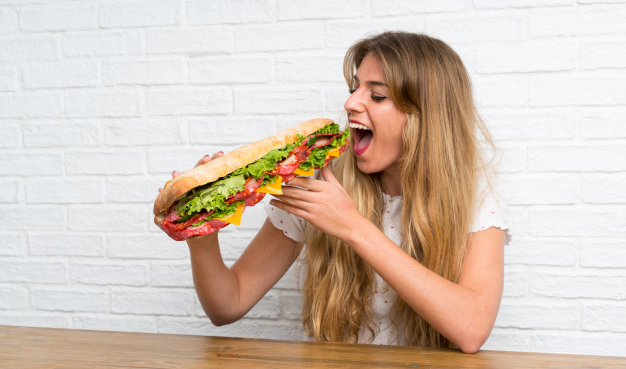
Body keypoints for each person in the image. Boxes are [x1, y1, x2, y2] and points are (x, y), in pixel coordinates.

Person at [165, 32, 508, 353]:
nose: (351, 103)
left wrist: (353, 227)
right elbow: (228, 305)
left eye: (376, 95)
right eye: (354, 88)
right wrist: (201, 230)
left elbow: (472, 330)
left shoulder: (474, 196)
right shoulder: (319, 185)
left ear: (426, 117)